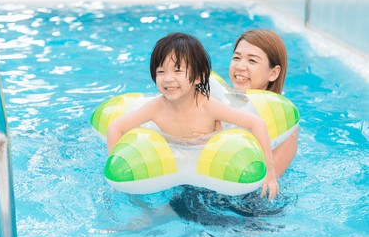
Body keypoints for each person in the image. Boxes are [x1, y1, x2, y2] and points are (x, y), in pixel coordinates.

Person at [107, 32, 279, 200]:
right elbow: (116, 127)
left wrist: (269, 172)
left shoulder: (208, 106)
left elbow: (256, 123)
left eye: (178, 70)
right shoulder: (156, 108)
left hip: (208, 176)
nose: (168, 79)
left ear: (198, 76)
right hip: (171, 175)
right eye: (161, 72)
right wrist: (115, 175)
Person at [229, 29, 298, 177]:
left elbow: (263, 182)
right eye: (236, 58)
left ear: (273, 73)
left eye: (252, 60)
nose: (240, 66)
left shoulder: (285, 122)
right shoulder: (219, 102)